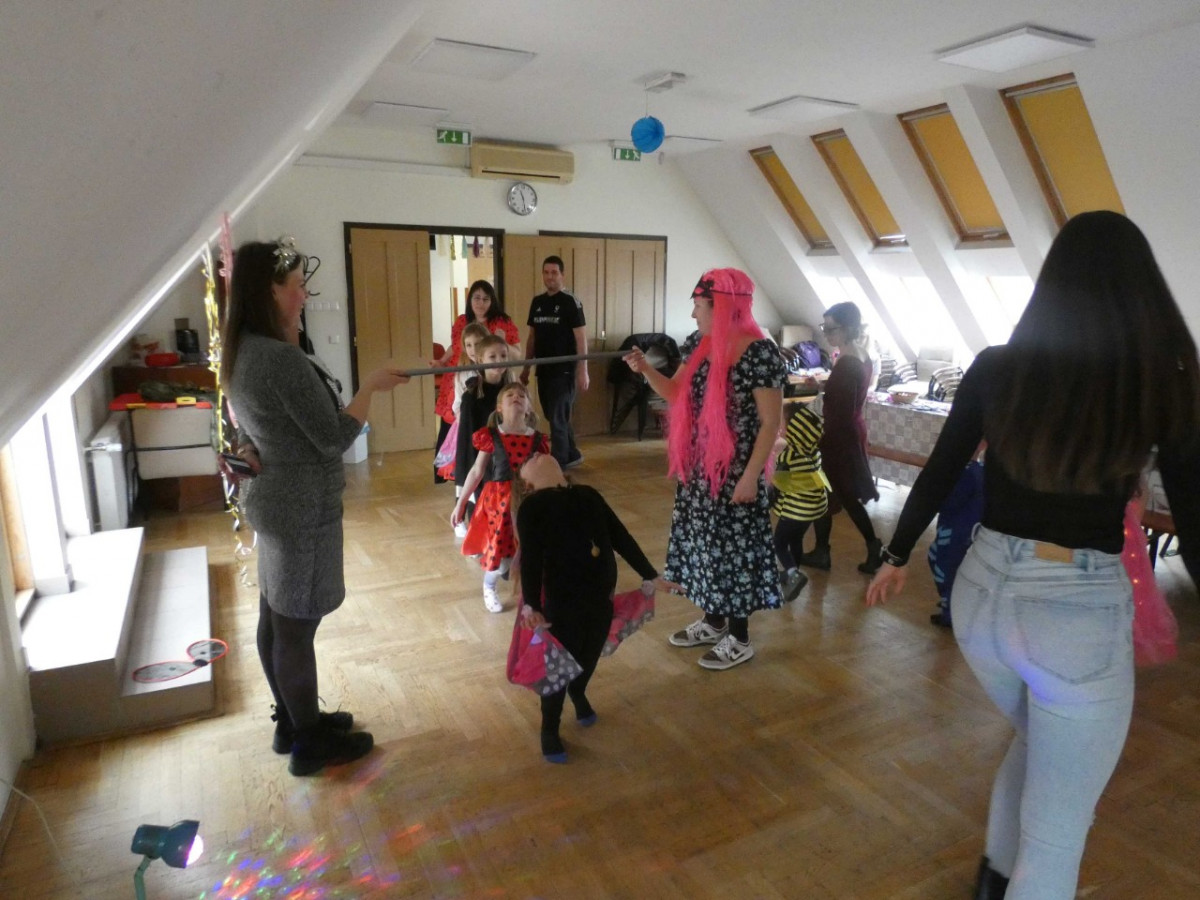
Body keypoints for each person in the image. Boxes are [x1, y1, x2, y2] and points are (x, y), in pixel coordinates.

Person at [866, 211, 1200, 900]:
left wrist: (896, 554)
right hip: (1073, 616)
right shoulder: (1158, 376)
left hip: (982, 596)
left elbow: (941, 468)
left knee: (1037, 744)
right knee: (1056, 838)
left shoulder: (1000, 365)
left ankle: (993, 883)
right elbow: (1194, 516)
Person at [221, 238, 411, 776]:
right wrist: (371, 388)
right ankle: (308, 743)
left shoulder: (244, 348)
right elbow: (332, 438)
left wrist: (250, 448)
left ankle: (293, 721)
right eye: (297, 286)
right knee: (295, 629)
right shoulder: (278, 358)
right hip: (301, 507)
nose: (305, 294)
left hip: (275, 501)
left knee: (276, 615)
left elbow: (251, 427)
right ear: (269, 292)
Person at [624, 267, 785, 670]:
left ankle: (740, 638)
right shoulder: (700, 343)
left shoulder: (760, 354)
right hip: (701, 470)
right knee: (706, 547)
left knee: (735, 552)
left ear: (724, 307)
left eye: (699, 306)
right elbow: (676, 392)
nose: (693, 314)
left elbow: (770, 423)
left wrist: (751, 477)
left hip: (737, 473)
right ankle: (714, 623)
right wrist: (646, 370)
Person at [516, 453, 659, 763]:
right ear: (527, 484)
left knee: (589, 653)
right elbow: (531, 560)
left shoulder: (588, 494)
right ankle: (549, 728)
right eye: (529, 459)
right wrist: (532, 605)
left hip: (600, 598)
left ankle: (578, 690)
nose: (537, 453)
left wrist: (650, 573)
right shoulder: (532, 507)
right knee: (558, 667)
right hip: (561, 605)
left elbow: (620, 536)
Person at [451, 382, 549, 612]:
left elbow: (547, 472)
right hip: (499, 505)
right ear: (499, 408)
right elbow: (476, 471)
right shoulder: (492, 436)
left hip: (529, 501)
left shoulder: (538, 440)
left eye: (522, 395)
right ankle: (489, 585)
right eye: (510, 395)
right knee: (499, 555)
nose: (516, 397)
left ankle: (533, 593)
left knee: (532, 548)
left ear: (529, 408)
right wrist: (461, 502)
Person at [811, 301, 883, 575]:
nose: (826, 334)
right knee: (832, 493)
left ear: (849, 328)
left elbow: (839, 409)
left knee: (837, 494)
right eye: (825, 327)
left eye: (832, 329)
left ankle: (871, 547)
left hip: (840, 436)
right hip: (851, 430)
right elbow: (848, 394)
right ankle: (823, 550)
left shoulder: (847, 363)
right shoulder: (861, 355)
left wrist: (822, 439)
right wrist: (824, 385)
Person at [432, 280, 521, 479]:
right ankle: (462, 478)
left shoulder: (502, 322)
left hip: (487, 383)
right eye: (476, 298)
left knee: (486, 432)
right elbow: (455, 346)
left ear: (492, 300)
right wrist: (442, 361)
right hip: (457, 379)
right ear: (470, 299)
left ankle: (488, 474)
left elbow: (516, 353)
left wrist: (502, 341)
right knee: (458, 433)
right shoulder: (462, 321)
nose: (480, 303)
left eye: (485, 299)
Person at [520, 256, 588, 469]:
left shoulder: (571, 302)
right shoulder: (537, 303)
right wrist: (526, 368)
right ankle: (572, 453)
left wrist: (583, 370)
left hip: (564, 371)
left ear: (562, 275)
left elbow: (581, 338)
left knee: (558, 419)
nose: (550, 277)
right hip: (544, 371)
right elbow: (532, 338)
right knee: (554, 416)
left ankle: (558, 467)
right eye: (546, 272)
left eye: (554, 272)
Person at [771, 396, 832, 603]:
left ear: (795, 429)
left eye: (783, 423)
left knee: (779, 543)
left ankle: (792, 574)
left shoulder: (788, 455)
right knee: (796, 539)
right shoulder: (813, 452)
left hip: (796, 509)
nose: (780, 427)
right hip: (814, 508)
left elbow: (777, 481)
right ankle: (793, 572)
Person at [451, 335, 513, 535]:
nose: (499, 361)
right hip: (481, 461)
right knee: (481, 508)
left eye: (503, 356)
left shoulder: (511, 391)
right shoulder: (471, 397)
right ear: (480, 360)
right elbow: (466, 440)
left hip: (506, 461)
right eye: (492, 357)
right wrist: (467, 476)